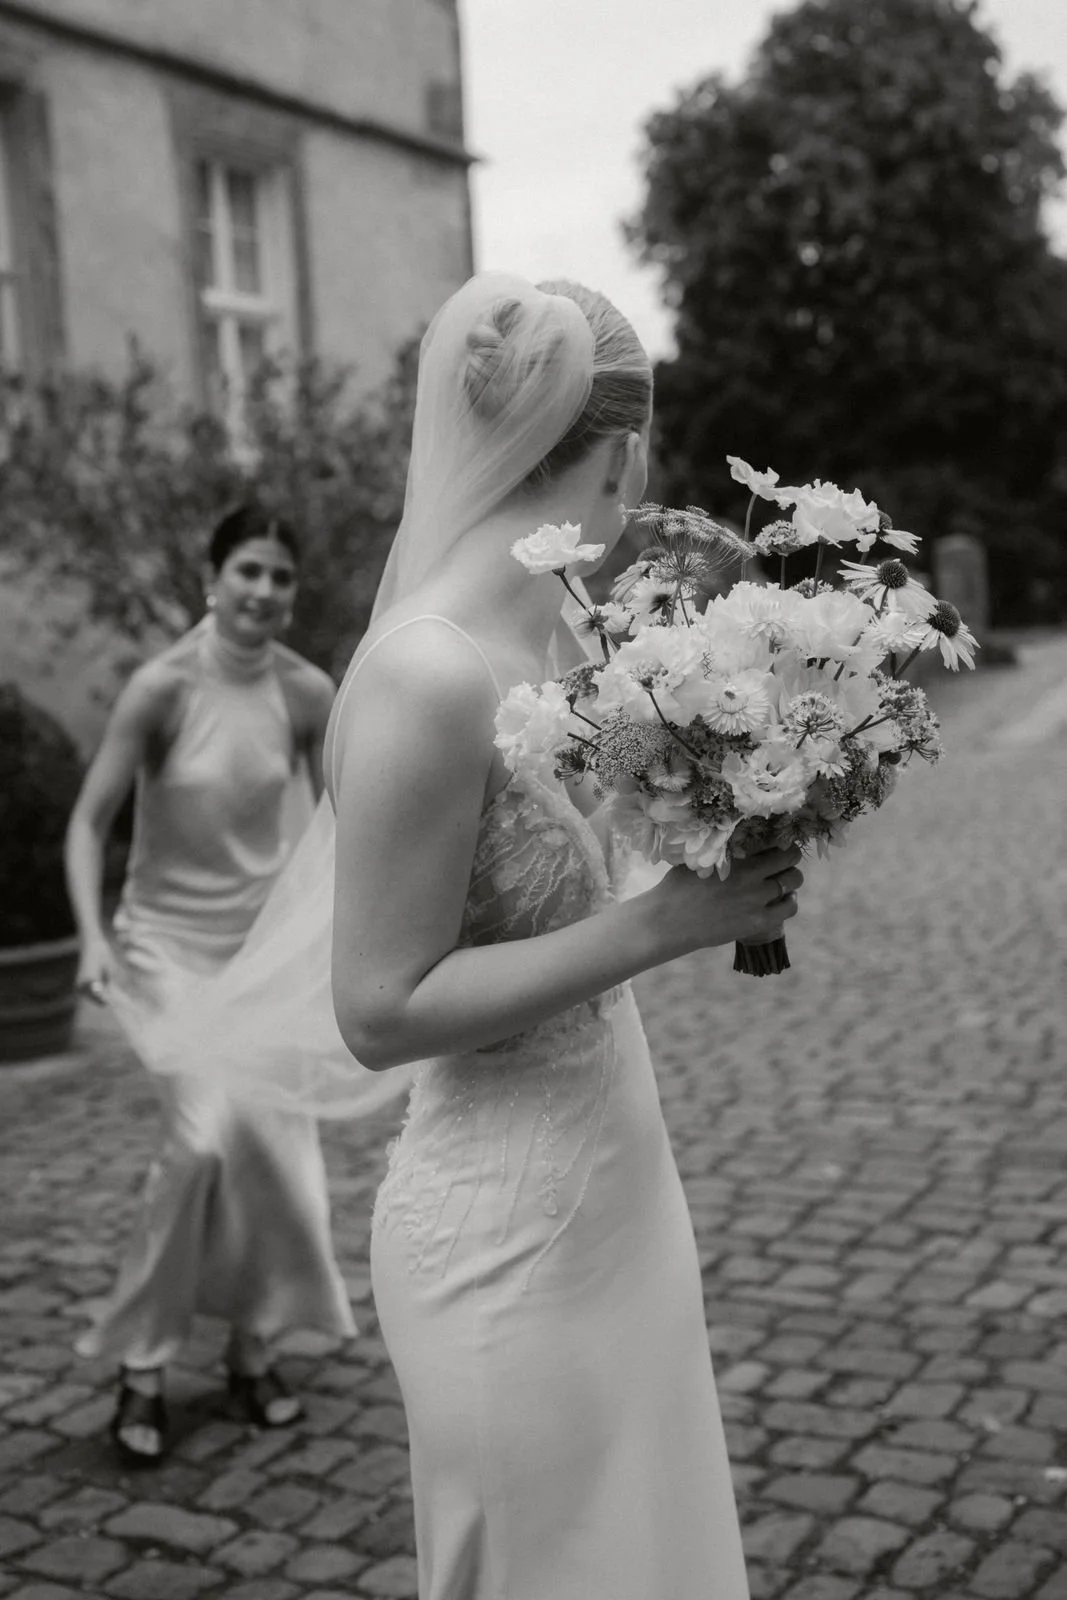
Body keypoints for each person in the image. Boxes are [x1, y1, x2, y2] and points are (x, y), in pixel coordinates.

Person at [318, 273, 801, 1598]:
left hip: (618, 1193)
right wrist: (662, 924)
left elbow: (570, 861)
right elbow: (374, 1009)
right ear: (626, 444)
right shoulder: (428, 672)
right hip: (504, 1239)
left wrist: (748, 788)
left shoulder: (570, 621)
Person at [64, 504, 356, 1466]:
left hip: (261, 957)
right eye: (249, 572)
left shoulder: (309, 692)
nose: (265, 592)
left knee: (275, 1158)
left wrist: (337, 936)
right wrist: (93, 940)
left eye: (282, 577)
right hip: (165, 953)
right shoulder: (159, 688)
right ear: (210, 577)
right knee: (200, 1142)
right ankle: (140, 1366)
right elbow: (88, 822)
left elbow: (336, 831)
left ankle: (250, 1349)